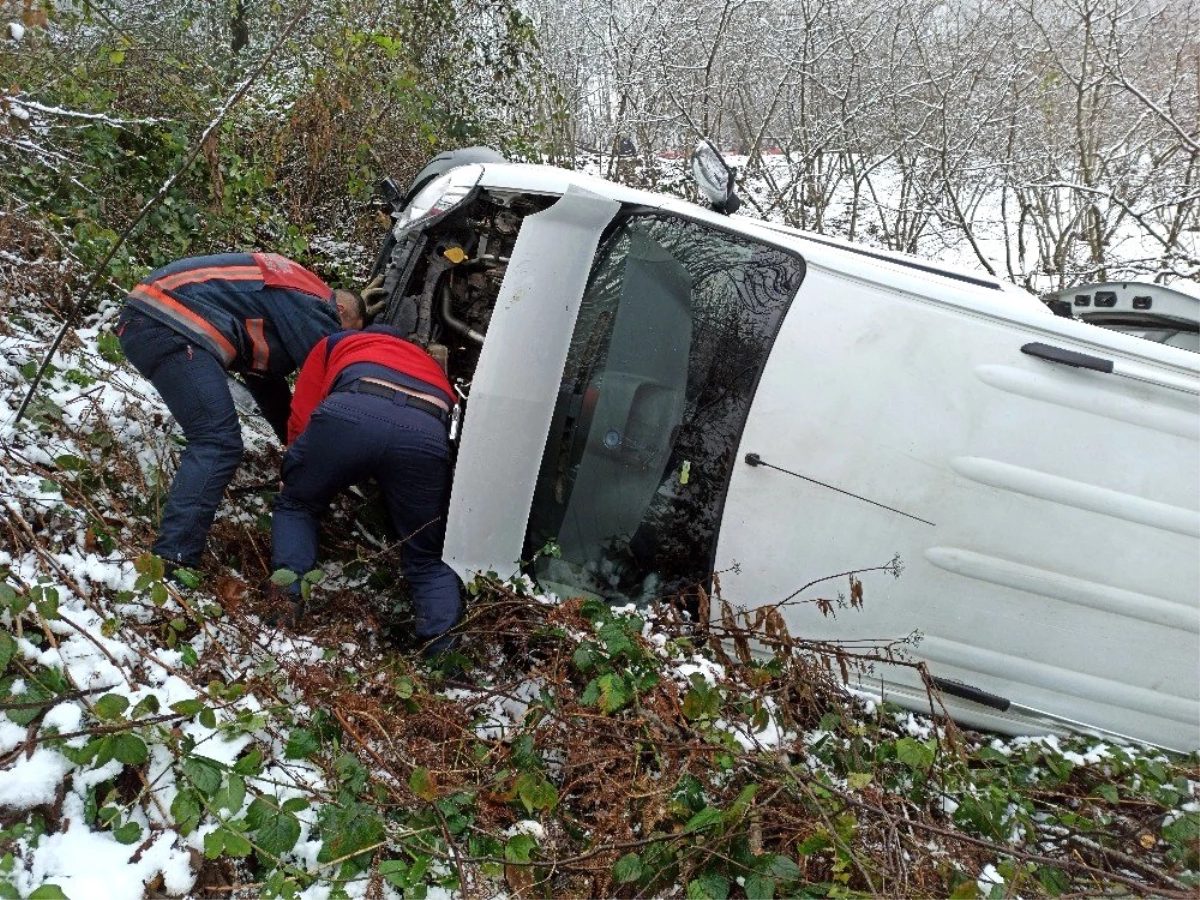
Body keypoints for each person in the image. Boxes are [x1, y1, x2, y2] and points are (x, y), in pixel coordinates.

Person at [116, 252, 367, 571]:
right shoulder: (315, 302)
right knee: (217, 442)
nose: (346, 340)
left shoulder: (287, 287)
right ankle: (172, 561)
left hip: (150, 316)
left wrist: (292, 446)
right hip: (171, 319)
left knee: (216, 440)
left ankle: (172, 557)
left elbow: (267, 383)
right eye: (350, 332)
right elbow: (331, 373)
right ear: (340, 311)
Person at [270, 324, 462, 655]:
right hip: (424, 433)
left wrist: (297, 465)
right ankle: (443, 652)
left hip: (351, 412)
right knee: (425, 555)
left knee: (297, 506)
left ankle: (285, 610)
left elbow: (303, 410)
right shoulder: (429, 364)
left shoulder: (336, 343)